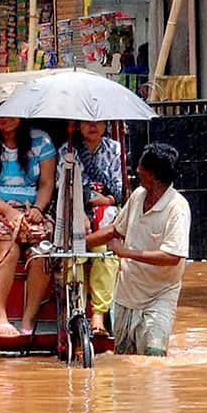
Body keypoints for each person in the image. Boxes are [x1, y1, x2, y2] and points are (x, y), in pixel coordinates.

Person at [87, 143, 190, 356]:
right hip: (127, 293)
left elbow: (172, 257)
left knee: (154, 357)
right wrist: (79, 244)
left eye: (141, 166)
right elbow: (116, 230)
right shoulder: (137, 196)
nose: (137, 171)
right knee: (124, 358)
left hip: (160, 295)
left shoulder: (177, 208)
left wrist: (125, 253)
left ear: (152, 174)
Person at [0, 116, 57, 337]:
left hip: (32, 210)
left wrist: (38, 208)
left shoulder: (41, 141)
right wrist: (7, 212)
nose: (4, 120)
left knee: (43, 253)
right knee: (9, 250)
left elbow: (47, 183)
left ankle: (29, 319)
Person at [57, 121, 123, 335]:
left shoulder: (115, 149)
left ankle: (98, 315)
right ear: (77, 125)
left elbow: (119, 186)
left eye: (98, 122)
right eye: (87, 122)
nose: (93, 126)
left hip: (106, 208)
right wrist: (82, 208)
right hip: (73, 207)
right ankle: (75, 306)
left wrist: (106, 199)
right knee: (75, 243)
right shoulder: (66, 151)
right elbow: (63, 187)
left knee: (106, 250)